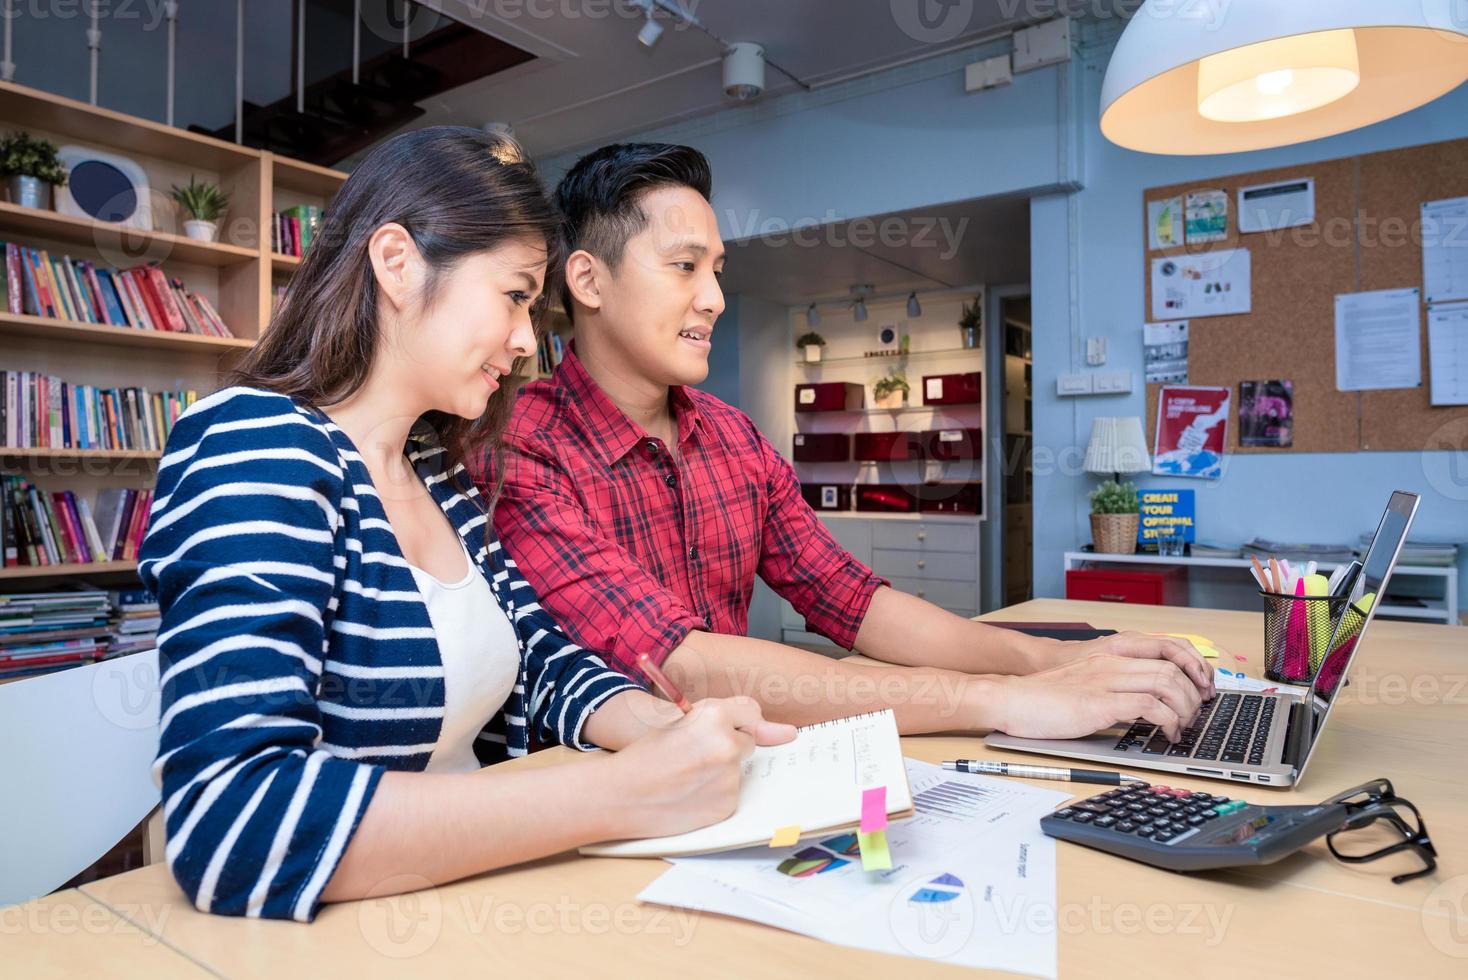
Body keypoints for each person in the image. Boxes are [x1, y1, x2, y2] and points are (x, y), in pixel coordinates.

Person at [140, 128, 792, 922]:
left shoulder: (435, 470)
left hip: (460, 910)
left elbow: (539, 659)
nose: (526, 342)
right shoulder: (254, 445)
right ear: (397, 262)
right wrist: (623, 791)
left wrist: (669, 725)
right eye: (515, 295)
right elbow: (234, 821)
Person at [483, 142, 1214, 742]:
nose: (713, 297)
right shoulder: (521, 448)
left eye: (716, 270)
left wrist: (1053, 659)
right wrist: (998, 700)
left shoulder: (731, 435)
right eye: (684, 267)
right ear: (588, 280)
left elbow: (852, 600)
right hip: (606, 806)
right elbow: (681, 668)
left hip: (738, 767)